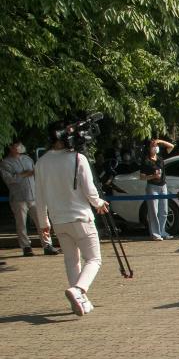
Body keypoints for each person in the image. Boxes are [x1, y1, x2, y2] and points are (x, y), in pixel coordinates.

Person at [34, 122, 110, 315]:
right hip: (81, 218)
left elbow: (40, 196)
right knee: (94, 259)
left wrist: (44, 223)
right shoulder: (77, 158)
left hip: (59, 221)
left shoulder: (41, 163)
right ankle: (78, 290)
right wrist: (99, 203)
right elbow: (89, 190)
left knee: (71, 260)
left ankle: (80, 302)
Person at [2, 139, 57, 256]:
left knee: (42, 221)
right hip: (18, 198)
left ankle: (47, 245)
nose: (20, 147)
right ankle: (26, 247)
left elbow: (36, 174)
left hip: (34, 196)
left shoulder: (28, 159)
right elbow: (9, 179)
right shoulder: (6, 163)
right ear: (11, 147)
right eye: (17, 145)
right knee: (21, 224)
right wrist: (24, 174)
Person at [140, 138, 174, 240]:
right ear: (148, 148)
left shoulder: (160, 157)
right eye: (153, 146)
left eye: (156, 146)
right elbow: (142, 177)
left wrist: (159, 141)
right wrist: (152, 176)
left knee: (163, 210)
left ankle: (162, 231)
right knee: (153, 211)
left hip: (163, 185)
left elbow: (171, 146)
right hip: (152, 186)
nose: (155, 147)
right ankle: (155, 234)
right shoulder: (146, 160)